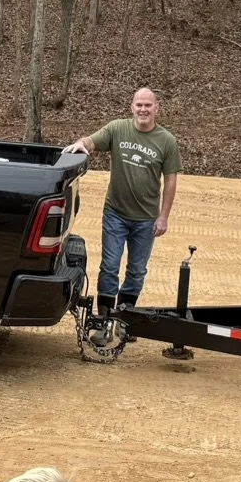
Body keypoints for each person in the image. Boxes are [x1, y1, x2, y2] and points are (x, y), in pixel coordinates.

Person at [63, 88, 181, 313]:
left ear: (157, 109)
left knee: (137, 270)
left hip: (146, 219)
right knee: (109, 266)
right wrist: (81, 144)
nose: (143, 109)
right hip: (115, 214)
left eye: (148, 105)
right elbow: (92, 141)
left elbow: (171, 180)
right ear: (132, 107)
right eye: (139, 105)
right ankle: (104, 316)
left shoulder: (166, 141)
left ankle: (125, 315)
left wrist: (163, 217)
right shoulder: (118, 129)